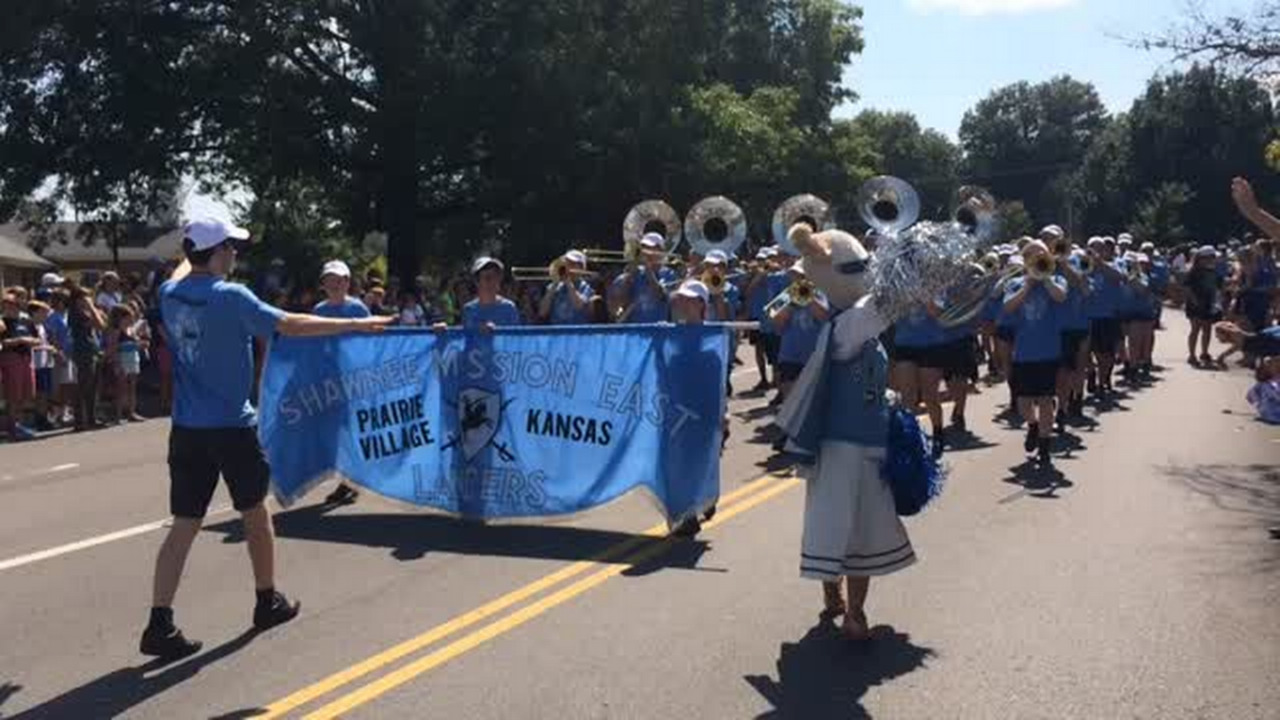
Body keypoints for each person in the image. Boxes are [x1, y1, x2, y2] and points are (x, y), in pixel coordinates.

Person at [140, 218, 391, 660]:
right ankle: (266, 599)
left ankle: (159, 621)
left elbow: (183, 271)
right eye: (231, 247)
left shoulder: (169, 294)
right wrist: (355, 326)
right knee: (256, 513)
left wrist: (192, 254)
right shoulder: (231, 296)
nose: (236, 254)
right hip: (231, 426)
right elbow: (289, 324)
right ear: (216, 252)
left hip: (186, 429)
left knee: (184, 524)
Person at [1003, 241, 1067, 466]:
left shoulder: (1056, 279)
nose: (1037, 259)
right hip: (1023, 353)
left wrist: (1045, 278)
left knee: (1046, 399)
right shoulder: (1015, 283)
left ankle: (1045, 445)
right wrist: (1028, 285)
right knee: (1023, 403)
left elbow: (1061, 297)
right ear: (1025, 259)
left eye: (1041, 255)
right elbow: (1008, 307)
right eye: (1032, 256)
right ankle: (1032, 424)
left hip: (1049, 352)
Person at [1, 292, 40, 439]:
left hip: (26, 358)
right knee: (13, 395)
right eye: (6, 304)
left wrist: (28, 340)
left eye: (13, 304)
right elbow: (2, 343)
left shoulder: (26, 321)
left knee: (27, 393)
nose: (10, 307)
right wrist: (18, 340)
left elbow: (37, 340)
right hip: (10, 358)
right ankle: (13, 427)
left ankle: (19, 424)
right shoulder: (2, 322)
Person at [614, 234, 678, 324]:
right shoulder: (637, 272)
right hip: (635, 329)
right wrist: (629, 276)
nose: (645, 252)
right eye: (644, 248)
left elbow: (662, 296)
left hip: (657, 329)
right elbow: (620, 301)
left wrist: (648, 269)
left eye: (650, 248)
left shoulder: (669, 274)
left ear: (660, 251)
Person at [67, 284, 106, 431]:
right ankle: (79, 421)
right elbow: (100, 325)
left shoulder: (85, 312)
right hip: (82, 351)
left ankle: (91, 418)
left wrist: (92, 309)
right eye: (85, 297)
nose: (88, 300)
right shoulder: (76, 313)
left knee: (93, 386)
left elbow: (102, 325)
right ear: (77, 299)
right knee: (83, 385)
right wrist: (92, 308)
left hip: (91, 349)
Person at [104, 303, 146, 423]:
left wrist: (139, 344)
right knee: (121, 388)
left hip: (132, 358)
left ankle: (131, 412)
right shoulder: (115, 331)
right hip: (121, 359)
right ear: (120, 317)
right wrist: (117, 362)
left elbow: (135, 343)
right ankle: (118, 414)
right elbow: (112, 347)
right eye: (127, 317)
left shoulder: (130, 330)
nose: (130, 320)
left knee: (132, 387)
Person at [1183, 246, 1225, 366]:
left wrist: (1217, 301)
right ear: (1202, 258)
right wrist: (1194, 300)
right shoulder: (1193, 271)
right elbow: (1187, 287)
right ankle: (1192, 355)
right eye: (1210, 257)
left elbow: (1219, 288)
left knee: (1207, 329)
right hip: (1195, 304)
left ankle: (1204, 352)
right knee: (1195, 329)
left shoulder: (1214, 272)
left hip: (1208, 303)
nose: (1213, 260)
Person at [538, 250, 595, 325]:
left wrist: (568, 282)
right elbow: (542, 312)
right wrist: (555, 283)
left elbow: (578, 306)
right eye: (567, 263)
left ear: (581, 267)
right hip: (557, 332)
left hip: (577, 332)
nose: (568, 266)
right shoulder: (553, 286)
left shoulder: (585, 287)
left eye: (573, 264)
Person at [1247, 356, 1280, 425]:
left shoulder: (1263, 384)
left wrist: (1258, 404)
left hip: (1266, 412)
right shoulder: (1269, 384)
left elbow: (1250, 395)